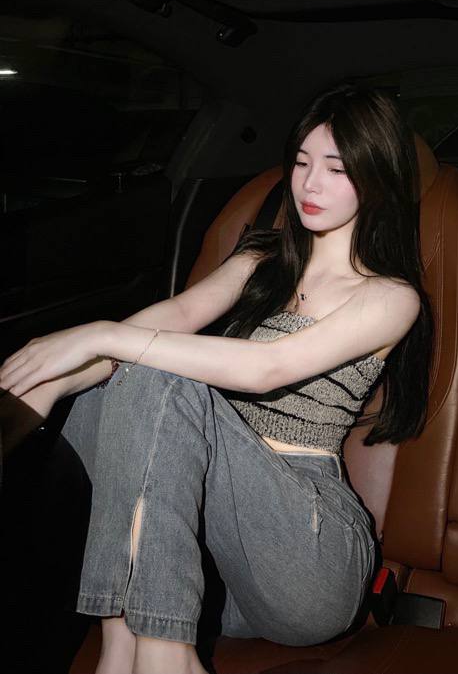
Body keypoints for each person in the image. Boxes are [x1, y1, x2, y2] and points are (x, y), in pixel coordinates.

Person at [0, 84, 432, 674]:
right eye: (302, 163)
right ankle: (122, 641)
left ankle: (163, 656)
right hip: (213, 574)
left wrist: (97, 334)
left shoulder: (389, 296)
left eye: (337, 169)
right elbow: (175, 316)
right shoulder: (261, 259)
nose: (310, 185)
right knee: (115, 385)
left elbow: (266, 369)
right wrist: (55, 382)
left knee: (157, 374)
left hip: (307, 557)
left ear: (378, 179)